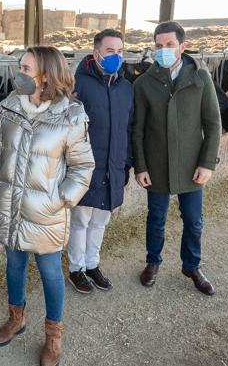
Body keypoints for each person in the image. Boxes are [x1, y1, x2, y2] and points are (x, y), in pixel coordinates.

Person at [0, 46, 95, 366]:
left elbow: (82, 166)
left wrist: (62, 199)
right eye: (20, 66)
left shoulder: (71, 115)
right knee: (14, 265)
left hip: (45, 210)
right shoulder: (9, 107)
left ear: (45, 74)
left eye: (26, 68)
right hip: (10, 204)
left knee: (49, 272)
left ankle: (53, 337)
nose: (20, 73)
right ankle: (16, 319)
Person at [133, 21, 221, 296]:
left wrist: (207, 163)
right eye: (158, 46)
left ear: (182, 46)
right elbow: (137, 129)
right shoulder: (144, 83)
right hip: (157, 164)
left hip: (191, 165)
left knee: (194, 220)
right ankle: (153, 262)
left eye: (169, 45)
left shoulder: (199, 78)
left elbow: (213, 123)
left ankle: (191, 265)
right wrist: (141, 166)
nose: (163, 50)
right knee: (156, 217)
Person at [66, 29, 134, 294]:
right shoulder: (78, 85)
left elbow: (129, 127)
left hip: (113, 164)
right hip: (86, 167)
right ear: (96, 54)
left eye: (119, 51)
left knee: (100, 221)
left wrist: (126, 162)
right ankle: (76, 269)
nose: (116, 56)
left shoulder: (126, 88)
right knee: (81, 219)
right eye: (109, 51)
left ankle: (92, 264)